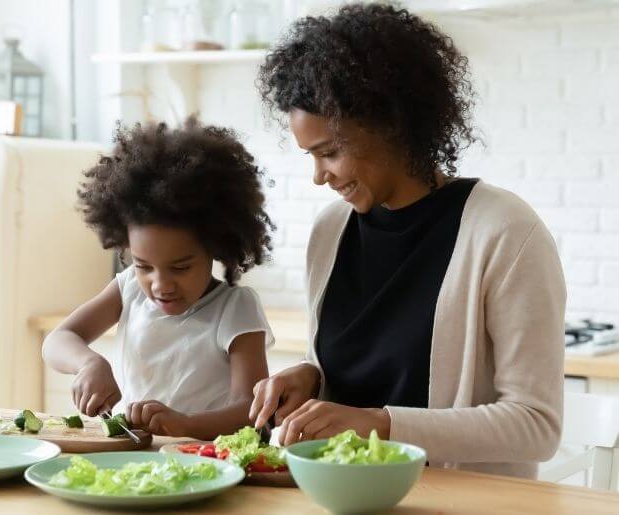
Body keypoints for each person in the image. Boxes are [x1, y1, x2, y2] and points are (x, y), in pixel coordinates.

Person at [249, 3, 566, 478]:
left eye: (330, 152)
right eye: (311, 157)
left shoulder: (505, 232)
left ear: (391, 123)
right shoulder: (329, 233)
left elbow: (536, 425)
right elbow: (350, 366)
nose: (319, 177)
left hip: (460, 502)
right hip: (340, 493)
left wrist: (378, 424)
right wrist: (309, 376)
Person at [43, 118, 275, 440]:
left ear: (215, 246)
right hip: (137, 457)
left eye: (180, 267)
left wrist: (186, 426)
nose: (160, 284)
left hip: (203, 460)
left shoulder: (235, 308)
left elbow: (251, 409)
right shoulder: (128, 289)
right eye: (143, 265)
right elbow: (58, 339)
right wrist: (88, 364)